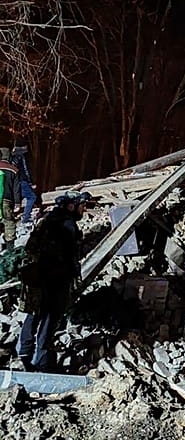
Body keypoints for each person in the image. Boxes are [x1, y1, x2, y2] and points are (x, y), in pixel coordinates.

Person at [16, 190, 93, 372]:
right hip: (55, 279)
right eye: (82, 206)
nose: (84, 210)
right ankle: (42, 361)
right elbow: (69, 256)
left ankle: (23, 353)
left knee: (33, 314)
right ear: (72, 206)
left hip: (37, 277)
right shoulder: (68, 225)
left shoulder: (47, 221)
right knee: (50, 318)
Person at [0, 147, 22, 249]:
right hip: (7, 200)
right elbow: (16, 188)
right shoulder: (13, 169)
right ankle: (9, 248)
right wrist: (17, 203)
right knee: (9, 223)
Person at [11, 143, 37, 225]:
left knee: (17, 198)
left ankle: (10, 217)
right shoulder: (22, 156)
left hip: (14, 181)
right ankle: (26, 216)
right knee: (32, 197)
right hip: (22, 180)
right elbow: (25, 170)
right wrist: (30, 182)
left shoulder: (12, 157)